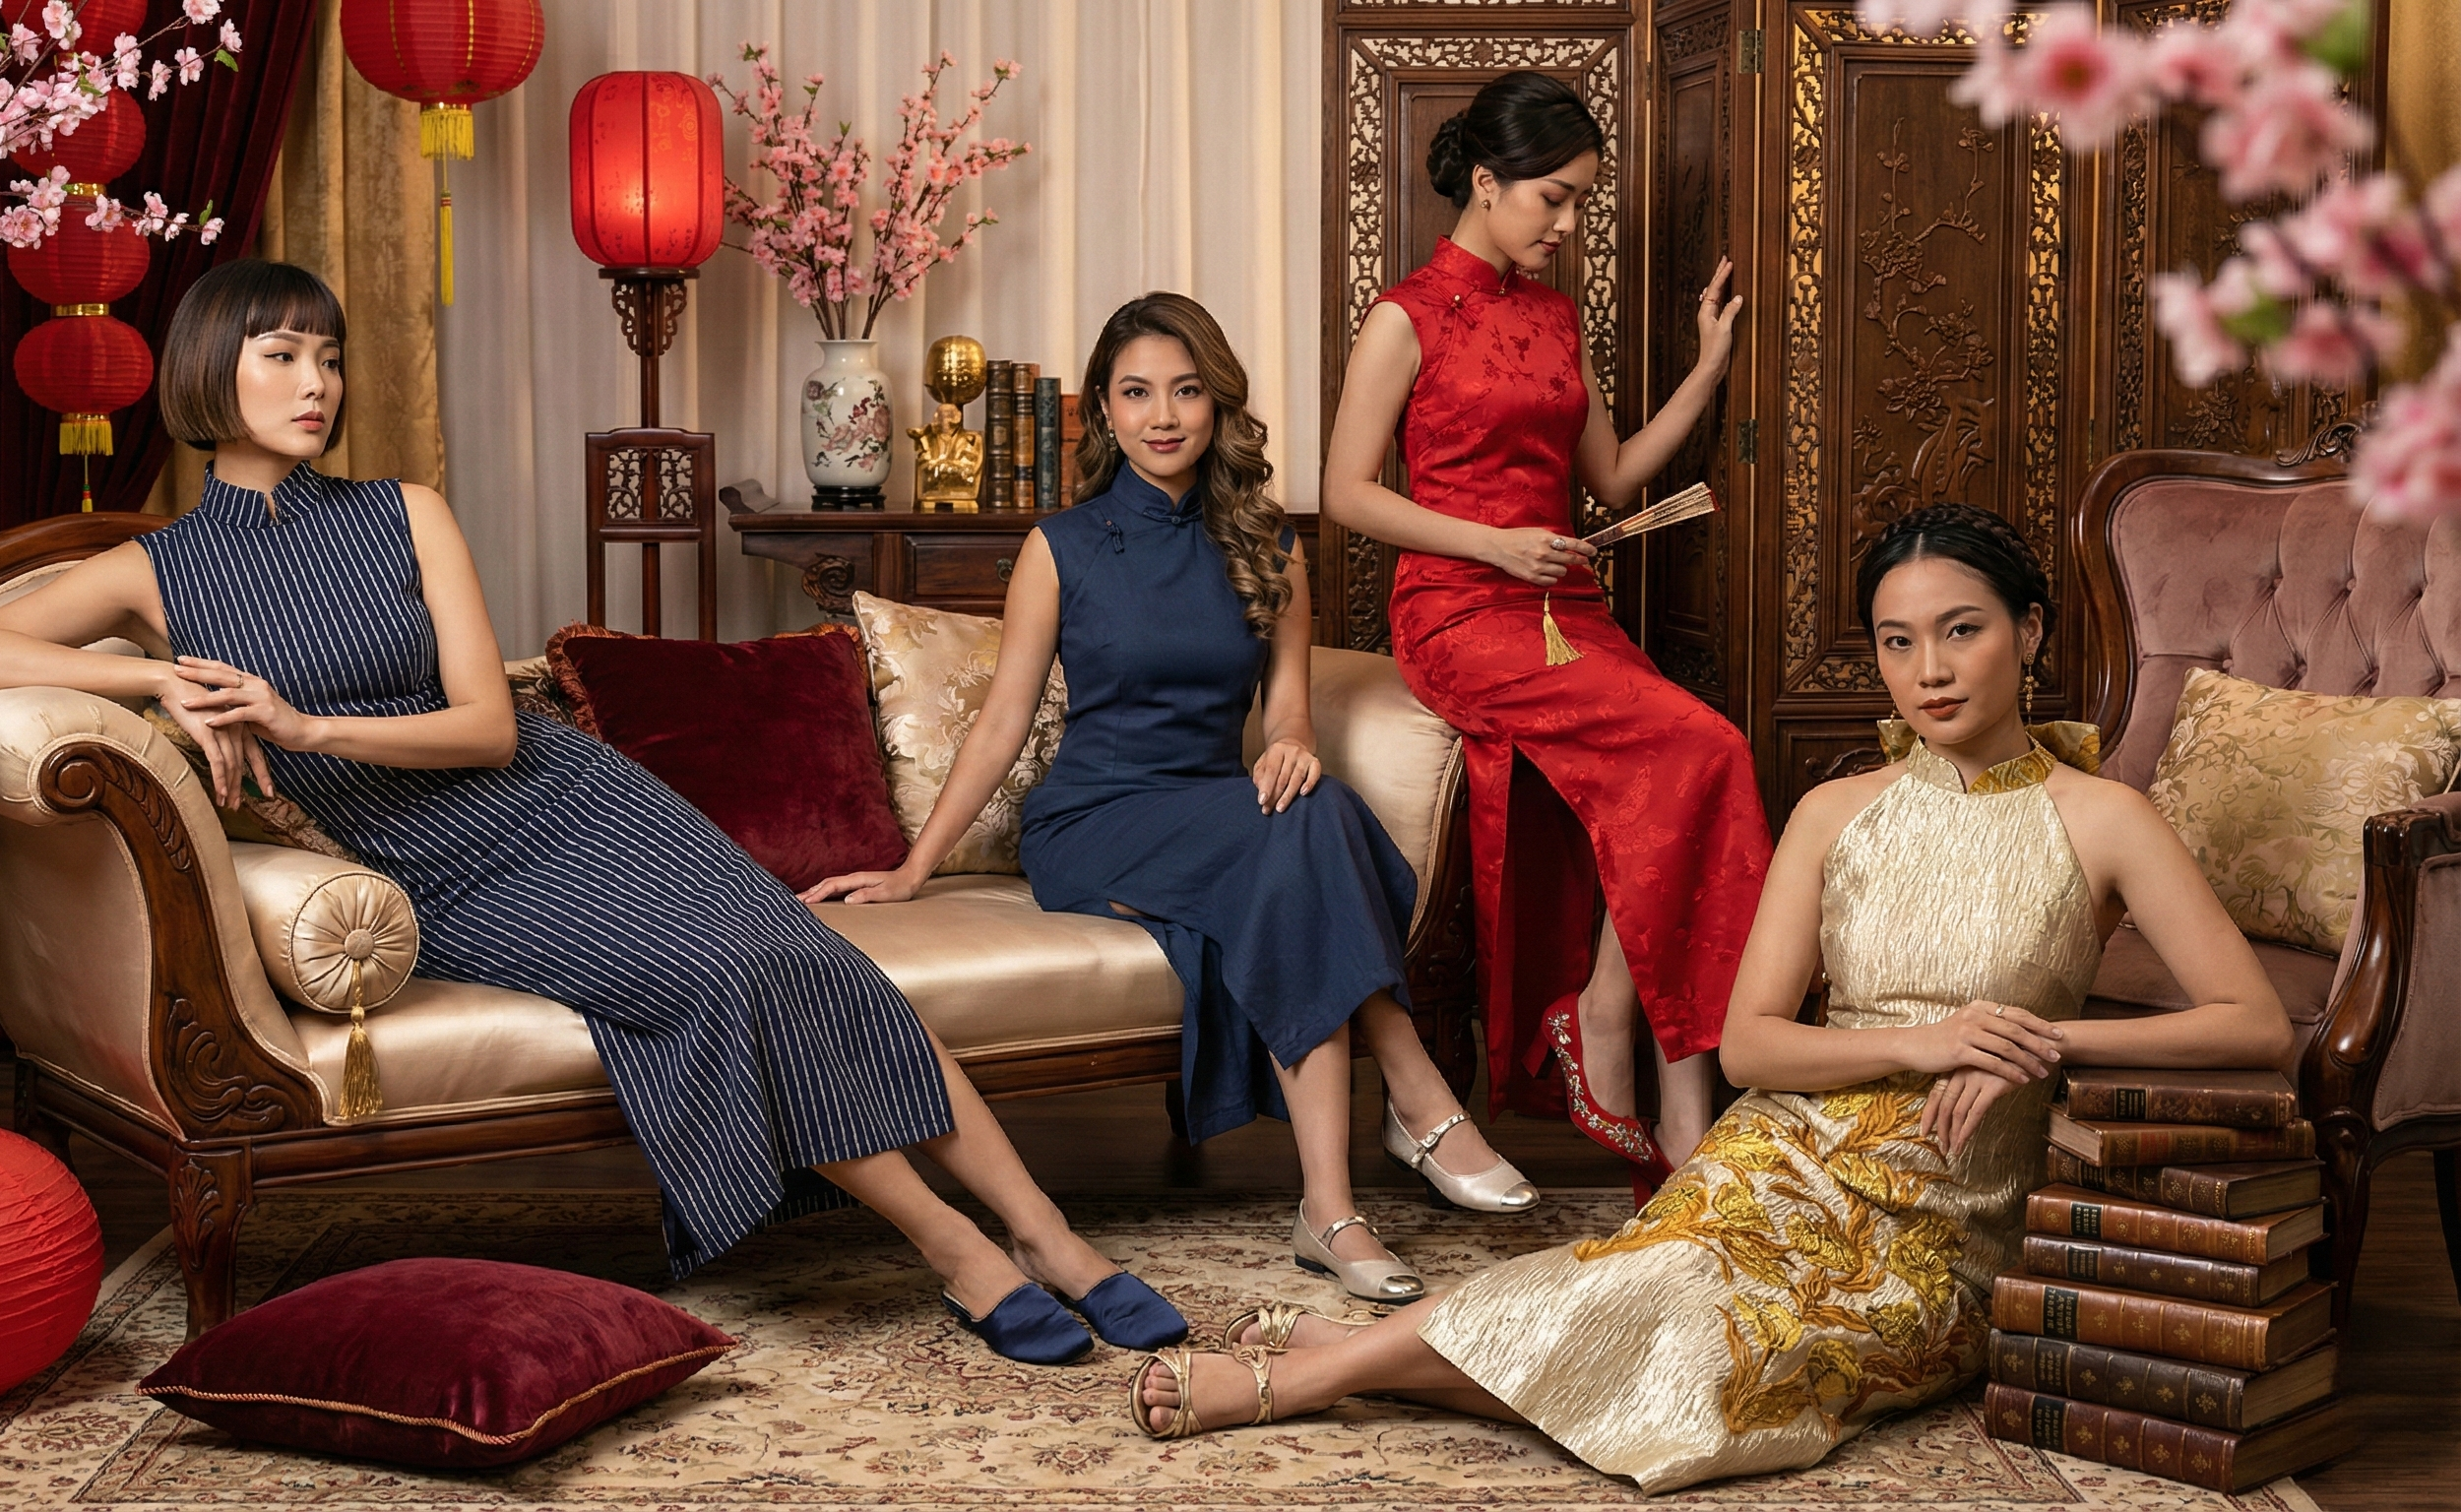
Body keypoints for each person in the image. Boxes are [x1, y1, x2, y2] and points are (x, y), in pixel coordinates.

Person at [0, 259, 1185, 1367]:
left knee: (811, 957)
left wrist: (300, 728)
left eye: (332, 358)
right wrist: (154, 675)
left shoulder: (400, 511)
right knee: (722, 978)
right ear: (212, 373)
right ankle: (960, 1250)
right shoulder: (158, 570)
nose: (318, 383)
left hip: (562, 794)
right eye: (285, 356)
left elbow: (481, 721)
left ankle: (1053, 1239)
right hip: (439, 864)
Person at [1119, 502, 2298, 1494]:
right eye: (1895, 643)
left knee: (1713, 1352)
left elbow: (2252, 1024)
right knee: (1651, 1275)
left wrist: (2035, 1046)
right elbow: (1752, 1045)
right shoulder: (1840, 811)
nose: (1928, 671)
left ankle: (1357, 1356)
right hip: (1786, 1153)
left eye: (1960, 633)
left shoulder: (2102, 817)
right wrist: (1935, 1039)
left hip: (1947, 1212)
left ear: (2028, 632)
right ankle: (1315, 1378)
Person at [805, 292, 1535, 1304]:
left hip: (1216, 816)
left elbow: (1286, 713)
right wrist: (913, 867)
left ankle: (1331, 1206)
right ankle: (1412, 1107)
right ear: (1104, 410)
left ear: (1217, 405)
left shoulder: (1269, 547)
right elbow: (1005, 718)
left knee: (1305, 821)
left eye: (1185, 392)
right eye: (1136, 392)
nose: (1162, 415)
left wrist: (1289, 748)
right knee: (1301, 842)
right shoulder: (1058, 547)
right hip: (1094, 821)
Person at [1322, 71, 1770, 1188]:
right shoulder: (1406, 315)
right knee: (1701, 748)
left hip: (1564, 608)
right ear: (1485, 180)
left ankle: (1673, 1096)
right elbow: (1343, 491)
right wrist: (1492, 547)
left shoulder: (1556, 317)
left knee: (1703, 759)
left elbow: (1610, 479)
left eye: (1579, 204)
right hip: (1458, 610)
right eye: (1554, 200)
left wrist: (1708, 371)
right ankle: (1610, 1030)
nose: (1568, 226)